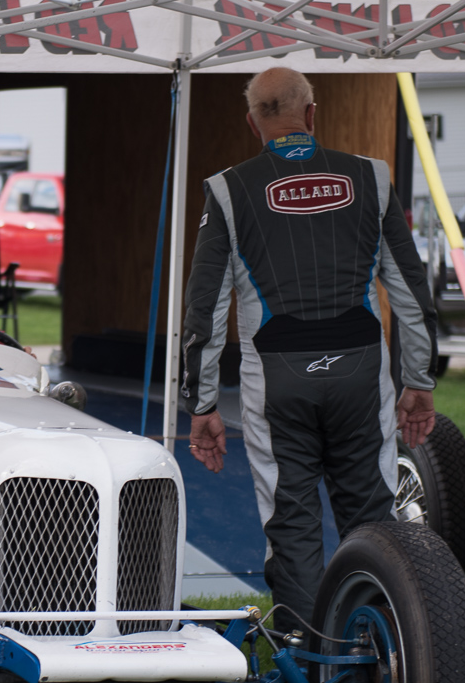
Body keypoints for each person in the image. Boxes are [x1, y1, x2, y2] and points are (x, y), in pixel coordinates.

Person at [181, 67, 438, 625]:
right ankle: (384, 658)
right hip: (361, 374)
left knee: (292, 524)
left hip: (277, 382)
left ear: (253, 123)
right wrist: (418, 380)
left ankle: (307, 663)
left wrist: (201, 406)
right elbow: (411, 295)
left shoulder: (227, 189)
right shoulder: (372, 177)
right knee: (374, 522)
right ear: (312, 115)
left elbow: (203, 310)